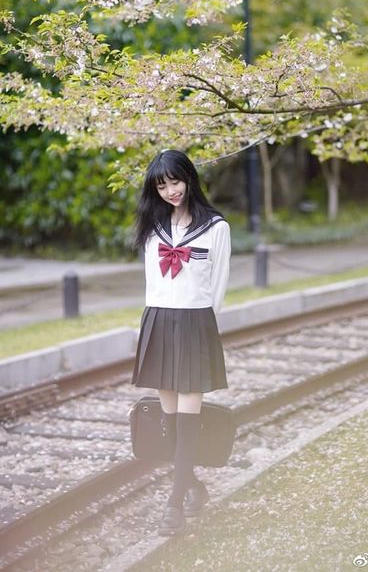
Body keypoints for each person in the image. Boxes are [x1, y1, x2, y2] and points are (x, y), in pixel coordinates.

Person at [131, 149, 231, 536]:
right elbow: (150, 285)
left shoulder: (216, 227)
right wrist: (150, 326)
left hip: (195, 324)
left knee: (188, 422)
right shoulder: (152, 226)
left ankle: (173, 507)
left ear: (189, 178)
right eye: (162, 185)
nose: (171, 190)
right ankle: (195, 486)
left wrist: (203, 329)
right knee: (169, 423)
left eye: (175, 181)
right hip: (158, 320)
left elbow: (218, 287)